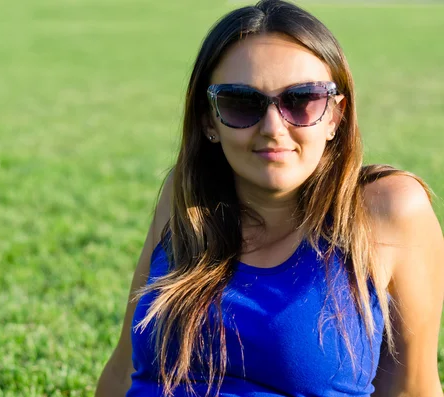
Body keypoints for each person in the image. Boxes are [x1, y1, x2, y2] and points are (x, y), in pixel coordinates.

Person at [95, 0, 444, 395]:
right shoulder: (187, 194)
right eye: (242, 104)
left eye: (302, 100)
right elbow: (124, 367)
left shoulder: (387, 210)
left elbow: (412, 389)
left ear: (335, 116)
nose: (273, 128)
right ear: (209, 119)